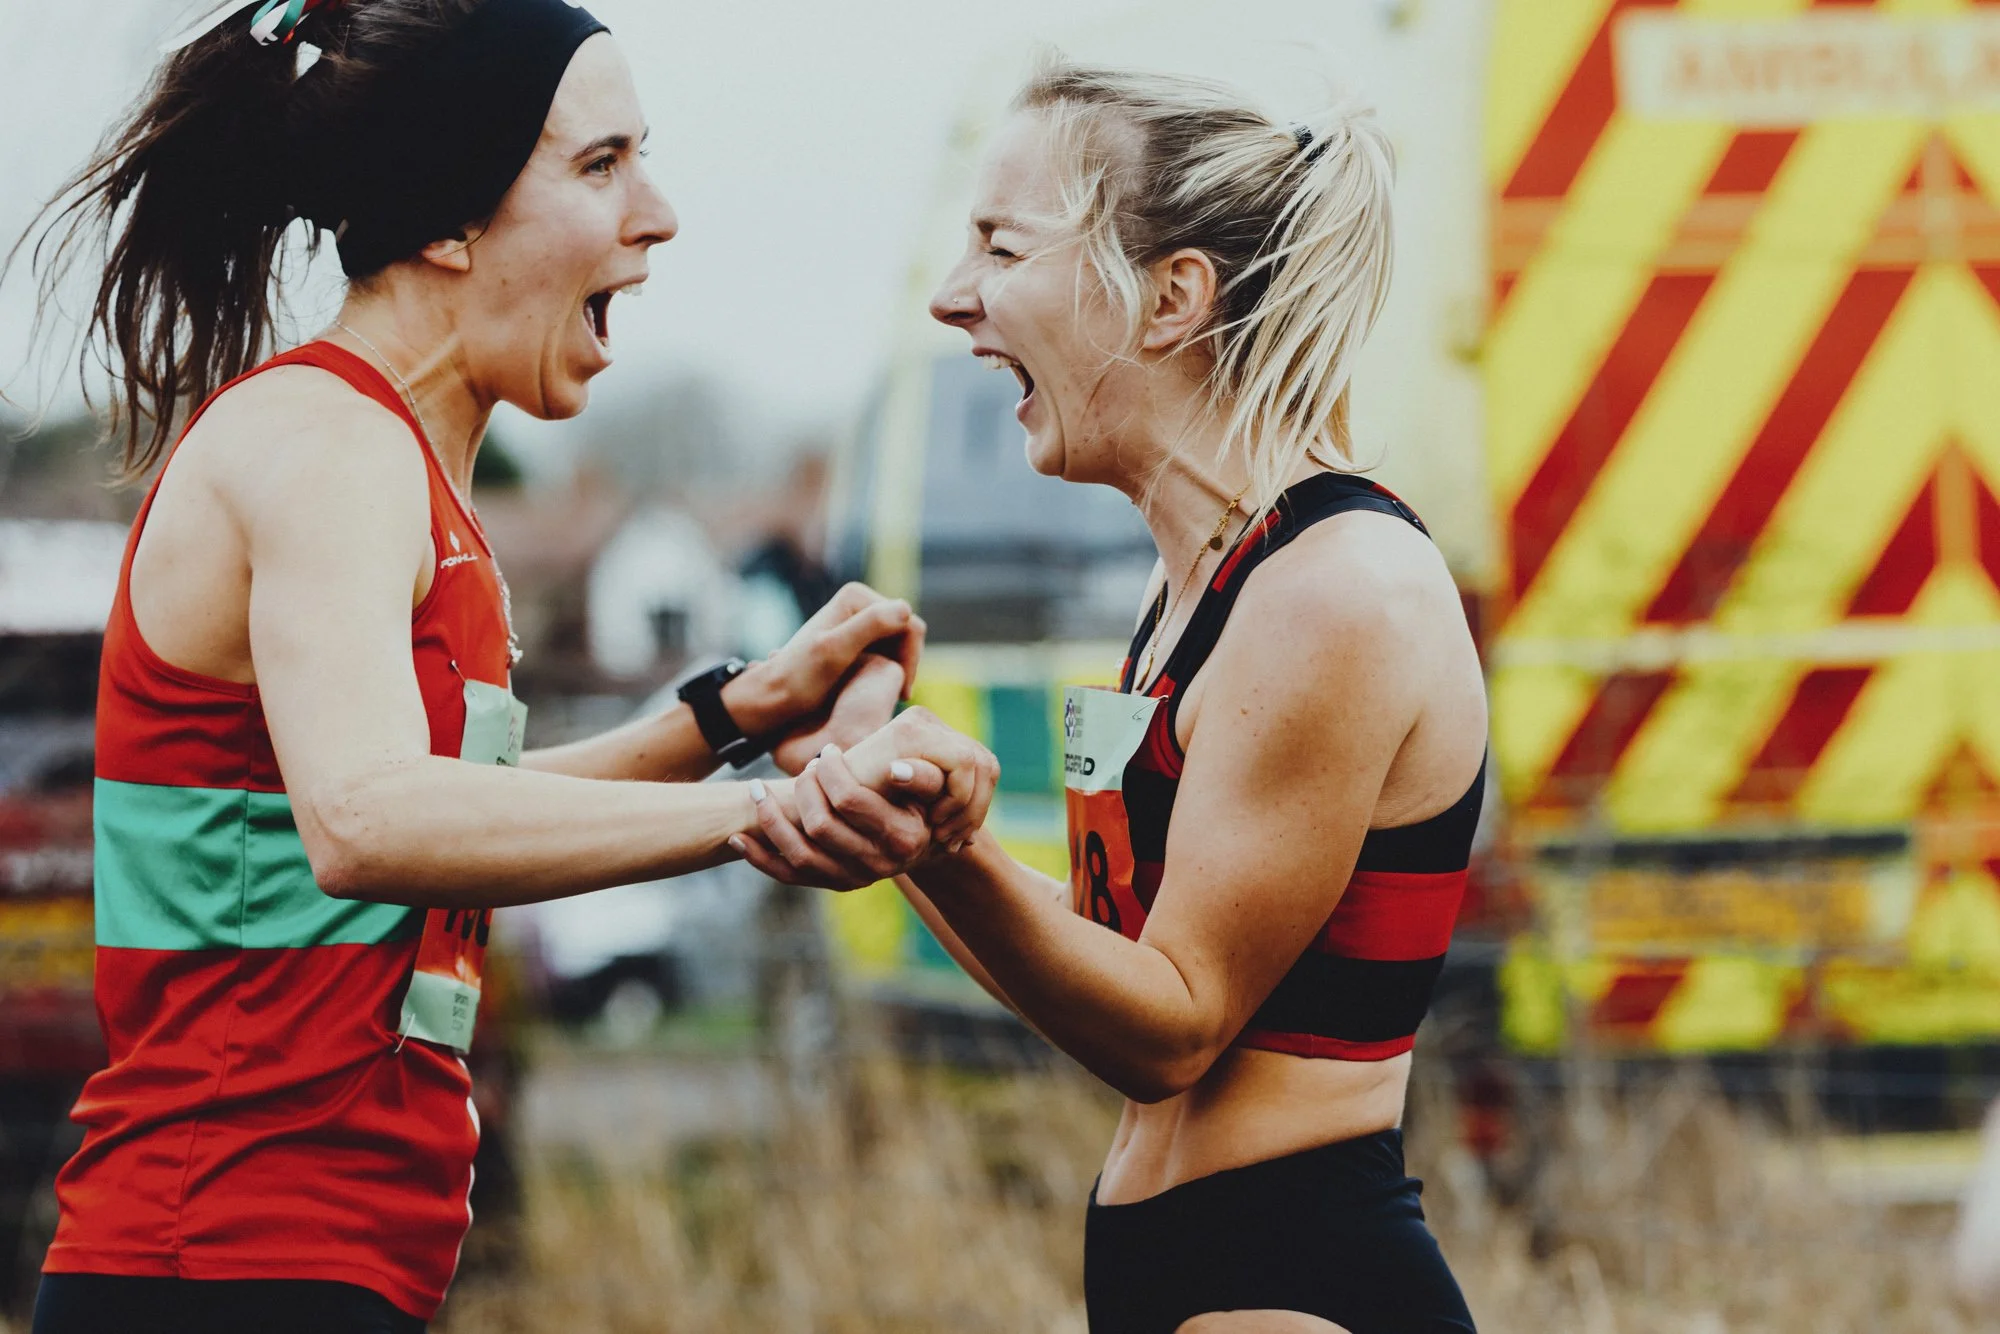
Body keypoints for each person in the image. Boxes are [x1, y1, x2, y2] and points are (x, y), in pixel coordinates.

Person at [10, 2, 993, 1329]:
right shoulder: (326, 446)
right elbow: (369, 822)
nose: (658, 215)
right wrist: (769, 811)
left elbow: (451, 804)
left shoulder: (403, 467)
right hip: (221, 1258)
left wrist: (732, 714)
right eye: (602, 166)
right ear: (448, 218)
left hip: (303, 1263)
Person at [738, 59, 1485, 1334]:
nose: (950, 297)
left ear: (1169, 298)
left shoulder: (1334, 589)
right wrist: (890, 806)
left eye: (999, 246)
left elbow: (1174, 1026)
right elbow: (1119, 968)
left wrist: (945, 838)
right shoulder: (1199, 580)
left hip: (1292, 1273)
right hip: (1197, 1255)